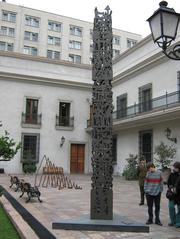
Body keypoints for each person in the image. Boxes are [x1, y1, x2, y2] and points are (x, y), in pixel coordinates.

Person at [167, 161, 180, 228]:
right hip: (172, 194)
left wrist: (177, 189)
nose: (174, 169)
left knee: (179, 209)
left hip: (179, 195)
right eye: (174, 167)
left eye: (176, 168)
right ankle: (173, 221)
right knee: (171, 207)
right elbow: (168, 183)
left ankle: (178, 222)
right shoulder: (172, 174)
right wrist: (171, 187)